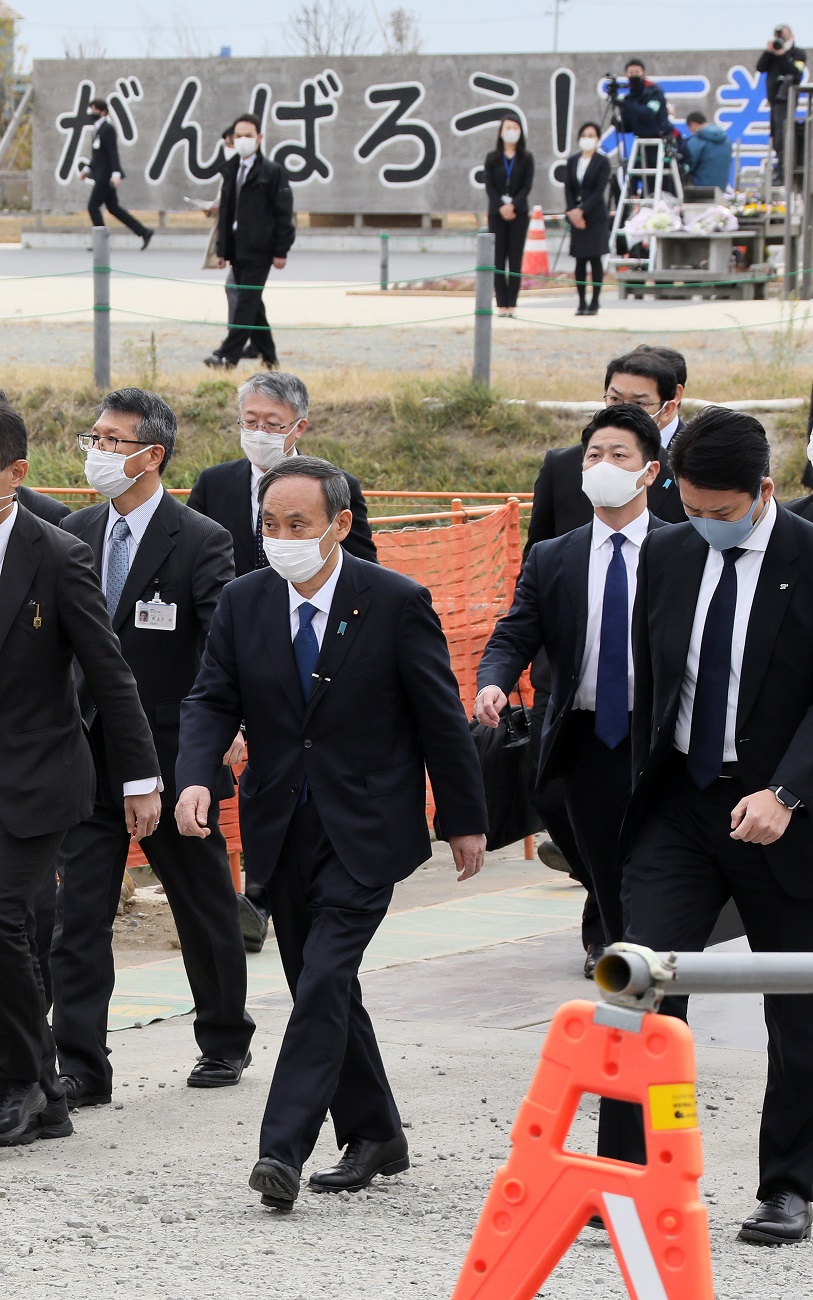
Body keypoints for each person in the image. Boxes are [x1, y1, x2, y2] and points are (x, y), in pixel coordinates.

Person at [175, 456, 488, 1212]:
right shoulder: (246, 602)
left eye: (298, 526)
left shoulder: (393, 601)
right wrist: (194, 775)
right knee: (326, 984)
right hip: (282, 823)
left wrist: (464, 820)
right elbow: (212, 697)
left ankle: (281, 1148)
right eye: (270, 526)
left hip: (367, 827)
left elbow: (438, 720)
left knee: (319, 982)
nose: (280, 539)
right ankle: (377, 1131)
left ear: (340, 525)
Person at [600, 407, 813, 1246]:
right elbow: (656, 681)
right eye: (689, 508)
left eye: (721, 513)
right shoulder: (669, 550)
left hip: (783, 817)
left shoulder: (808, 557)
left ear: (763, 491)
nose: (704, 526)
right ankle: (628, 1175)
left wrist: (787, 793)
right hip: (682, 806)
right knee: (640, 986)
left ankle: (789, 1186)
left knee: (795, 1011)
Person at [46, 388, 254, 1108]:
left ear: (151, 454)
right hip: (88, 757)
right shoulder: (74, 532)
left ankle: (225, 1037)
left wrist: (217, 740)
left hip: (173, 762)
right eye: (95, 436)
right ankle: (81, 1063)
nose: (97, 451)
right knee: (81, 918)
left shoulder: (199, 539)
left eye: (113, 440)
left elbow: (221, 652)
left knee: (201, 904)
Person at [0, 401, 160, 1146]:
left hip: (39, 779)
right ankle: (43, 1092)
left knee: (4, 918)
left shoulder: (58, 554)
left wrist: (140, 780)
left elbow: (111, 673)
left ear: (16, 474)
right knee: (15, 931)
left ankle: (31, 1083)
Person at [476, 405, 666, 962]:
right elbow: (515, 632)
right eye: (593, 455)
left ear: (649, 471)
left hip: (655, 739)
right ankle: (628, 960)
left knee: (657, 862)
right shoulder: (553, 556)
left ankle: (652, 970)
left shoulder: (680, 549)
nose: (602, 465)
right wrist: (493, 680)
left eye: (618, 455)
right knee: (604, 868)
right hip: (584, 741)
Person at [187, 370, 377, 578]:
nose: (259, 433)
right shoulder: (213, 483)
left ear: (299, 427)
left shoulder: (336, 485)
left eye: (272, 424)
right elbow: (190, 552)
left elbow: (364, 567)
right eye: (250, 422)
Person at [524, 348, 687, 550]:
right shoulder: (561, 466)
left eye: (639, 403)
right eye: (615, 399)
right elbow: (536, 553)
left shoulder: (684, 473)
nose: (624, 409)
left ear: (667, 409)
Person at [203, 112, 295, 372]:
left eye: (249, 135)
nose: (243, 140)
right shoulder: (231, 170)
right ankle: (269, 357)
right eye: (239, 136)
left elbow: (283, 215)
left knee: (245, 302)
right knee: (253, 305)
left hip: (261, 250)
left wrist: (281, 250)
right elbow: (226, 214)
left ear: (259, 138)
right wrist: (222, 250)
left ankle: (227, 356)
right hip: (237, 248)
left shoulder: (272, 172)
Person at [80, 98, 153, 249]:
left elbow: (113, 153)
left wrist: (116, 173)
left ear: (103, 111)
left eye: (94, 110)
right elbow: (97, 155)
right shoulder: (97, 129)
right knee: (113, 208)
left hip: (106, 176)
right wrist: (87, 169)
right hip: (100, 174)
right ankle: (144, 231)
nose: (91, 113)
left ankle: (101, 242)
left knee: (93, 206)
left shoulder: (108, 129)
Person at [483, 114, 534, 318]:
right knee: (498, 259)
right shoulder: (492, 158)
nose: (511, 131)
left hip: (518, 213)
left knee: (515, 259)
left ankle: (512, 303)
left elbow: (526, 186)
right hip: (497, 213)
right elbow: (489, 185)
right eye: (507, 127)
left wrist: (514, 205)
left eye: (515, 127)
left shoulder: (526, 158)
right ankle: (501, 303)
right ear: (501, 131)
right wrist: (501, 206)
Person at [564, 122, 611, 316]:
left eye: (591, 135)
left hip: (595, 216)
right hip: (576, 217)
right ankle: (581, 301)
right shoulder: (573, 161)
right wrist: (572, 210)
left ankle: (595, 302)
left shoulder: (602, 162)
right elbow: (568, 187)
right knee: (580, 260)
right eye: (584, 134)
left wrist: (582, 210)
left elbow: (599, 190)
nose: (587, 138)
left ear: (598, 139)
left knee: (595, 258)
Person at [757, 26, 806, 184]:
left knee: (783, 134)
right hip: (774, 100)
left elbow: (796, 72)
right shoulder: (772, 54)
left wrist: (783, 54)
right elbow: (760, 67)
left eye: (783, 37)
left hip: (787, 100)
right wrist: (769, 51)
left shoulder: (798, 54)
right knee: (775, 134)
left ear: (791, 36)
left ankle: (783, 169)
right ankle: (778, 166)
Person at [680, 112, 732, 190]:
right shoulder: (727, 140)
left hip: (700, 186)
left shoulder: (697, 140)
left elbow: (689, 163)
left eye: (689, 128)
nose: (690, 132)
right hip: (722, 187)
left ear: (692, 124)